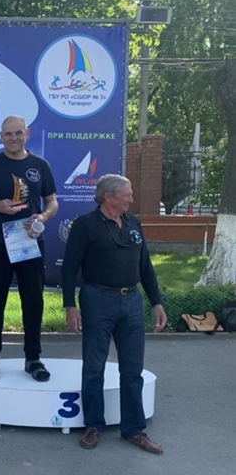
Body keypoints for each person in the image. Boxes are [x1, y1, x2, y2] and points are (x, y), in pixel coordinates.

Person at [62, 174, 167, 455]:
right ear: (108, 196)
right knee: (94, 366)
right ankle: (93, 426)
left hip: (131, 301)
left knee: (132, 369)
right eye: (127, 194)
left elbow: (145, 265)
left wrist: (156, 302)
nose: (131, 199)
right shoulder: (85, 225)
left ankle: (134, 430)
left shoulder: (133, 223)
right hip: (97, 299)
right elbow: (69, 267)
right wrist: (70, 305)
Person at [0, 115, 58, 381]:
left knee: (33, 301)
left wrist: (42, 217)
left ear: (27, 134)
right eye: (8, 134)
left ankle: (33, 358)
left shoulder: (40, 165)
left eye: (18, 133)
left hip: (29, 243)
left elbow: (52, 202)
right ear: (1, 137)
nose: (14, 138)